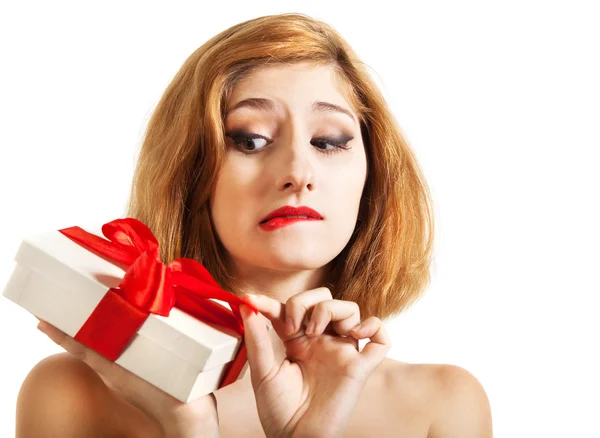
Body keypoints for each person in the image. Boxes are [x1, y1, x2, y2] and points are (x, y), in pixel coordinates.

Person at [15, 12, 492, 438]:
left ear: (373, 177)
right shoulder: (72, 393)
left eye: (328, 141)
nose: (298, 172)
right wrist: (189, 430)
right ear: (191, 172)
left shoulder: (444, 406)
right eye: (250, 139)